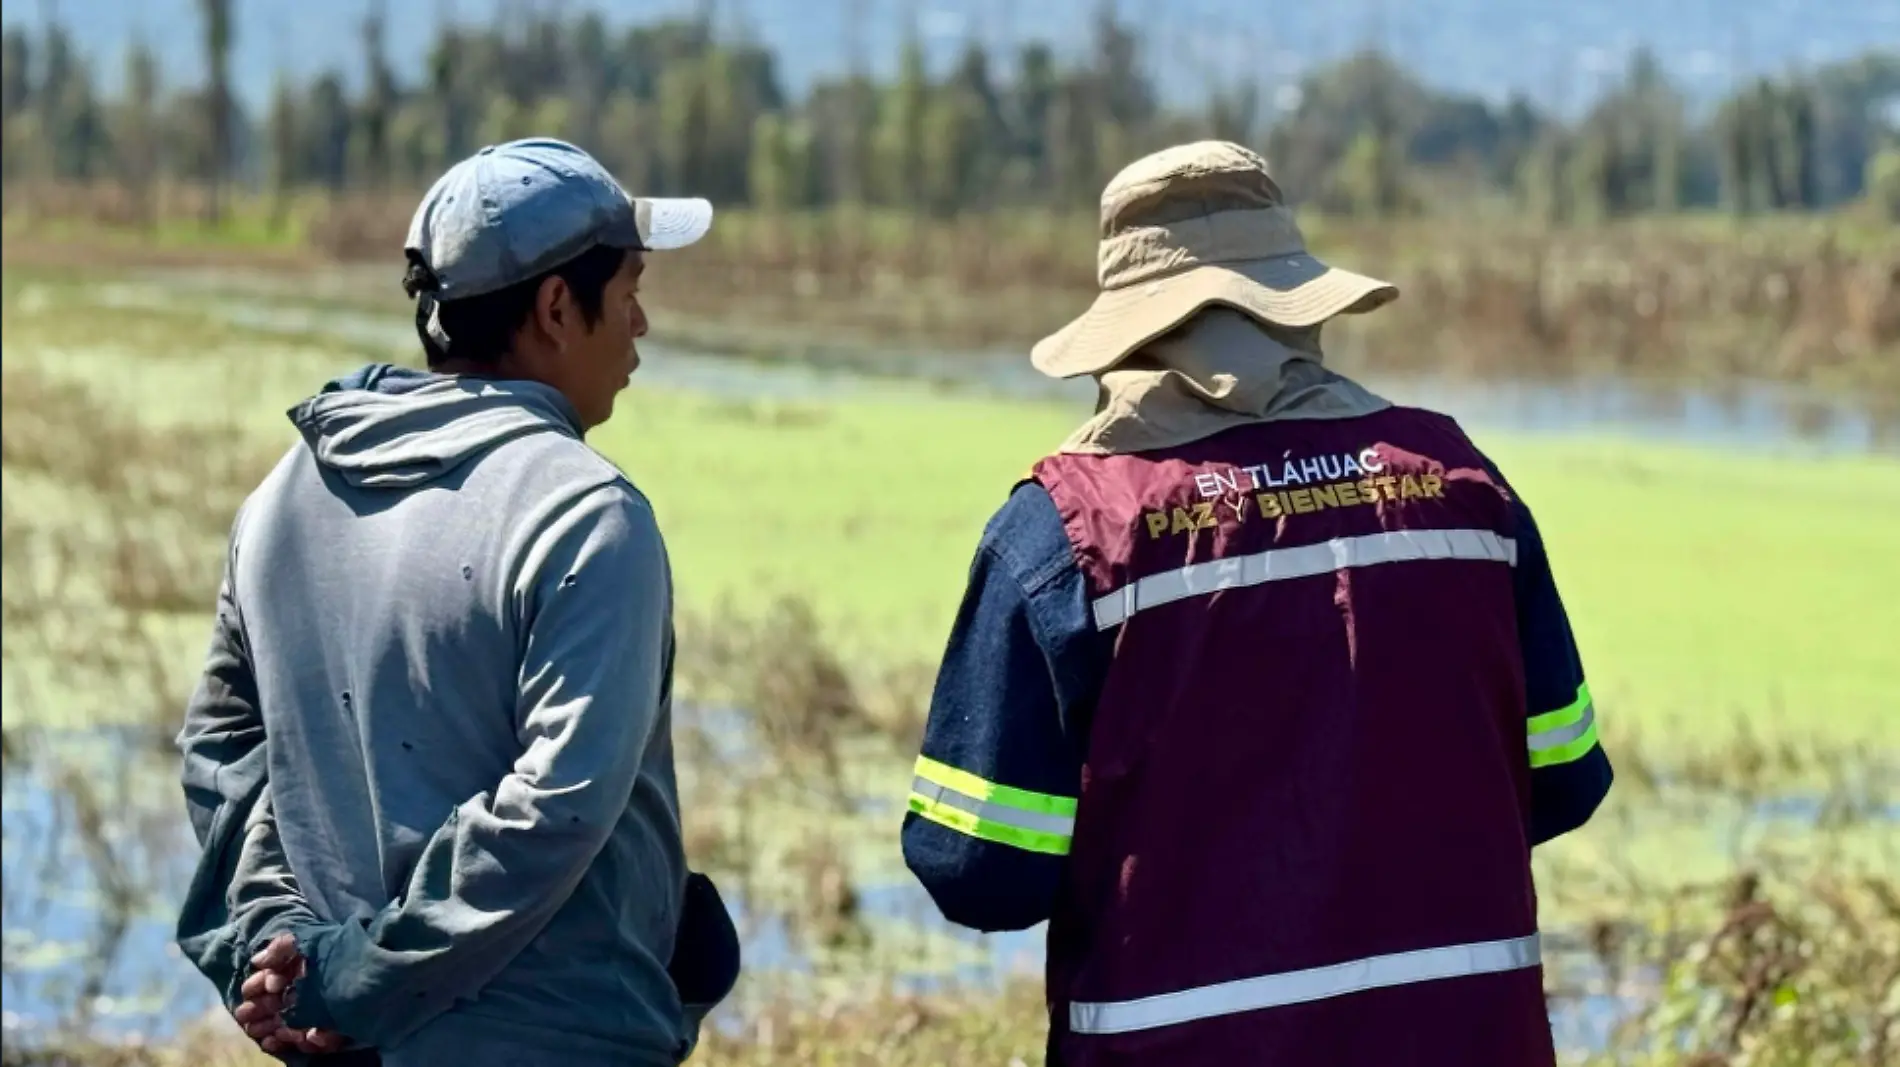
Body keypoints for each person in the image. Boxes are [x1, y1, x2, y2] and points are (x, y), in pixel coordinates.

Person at [901, 141, 1614, 1066]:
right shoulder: (1465, 489)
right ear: (1300, 308)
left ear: (1126, 335)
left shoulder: (1065, 534)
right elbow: (1562, 778)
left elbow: (980, 871)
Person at [174, 138, 739, 1067]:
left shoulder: (280, 499)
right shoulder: (585, 515)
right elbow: (552, 810)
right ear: (557, 307)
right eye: (631, 289)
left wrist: (279, 953)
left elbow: (224, 751)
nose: (639, 323)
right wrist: (358, 977)